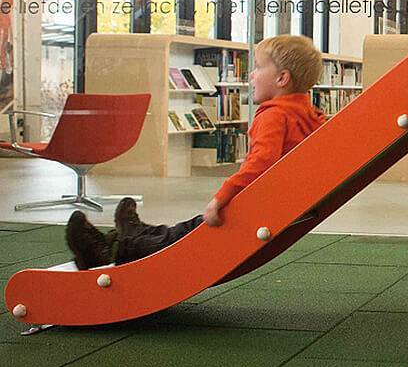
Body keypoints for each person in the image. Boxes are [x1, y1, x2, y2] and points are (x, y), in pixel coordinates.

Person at [65, 34, 327, 269]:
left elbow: (261, 164)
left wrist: (222, 197)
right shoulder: (310, 115)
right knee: (187, 229)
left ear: (282, 78)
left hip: (255, 208)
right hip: (276, 206)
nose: (251, 75)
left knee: (188, 239)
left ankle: (108, 251)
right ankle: (138, 233)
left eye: (258, 67)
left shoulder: (275, 116)